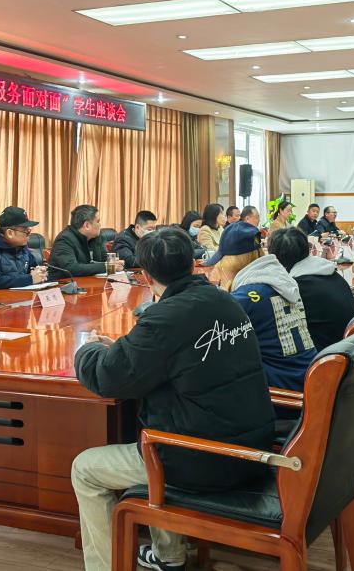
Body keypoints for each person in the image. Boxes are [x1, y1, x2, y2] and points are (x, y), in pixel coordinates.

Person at [70, 228, 275, 571]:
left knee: (86, 469)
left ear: (147, 276)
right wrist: (122, 349)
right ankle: (168, 556)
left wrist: (88, 348)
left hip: (207, 460)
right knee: (157, 432)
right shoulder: (224, 299)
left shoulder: (166, 318)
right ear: (193, 265)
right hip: (252, 446)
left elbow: (107, 377)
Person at [207, 220, 317, 391]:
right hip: (309, 379)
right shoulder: (282, 281)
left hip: (284, 393)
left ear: (231, 261)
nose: (218, 265)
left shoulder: (245, 298)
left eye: (221, 260)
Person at [268, 227, 354, 352]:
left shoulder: (295, 289)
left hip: (325, 357)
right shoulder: (331, 272)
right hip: (350, 349)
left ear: (276, 259)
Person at [0, 206, 47, 290]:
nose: (29, 235)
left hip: (19, 295)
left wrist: (40, 273)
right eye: (26, 231)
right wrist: (30, 279)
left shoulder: (23, 248)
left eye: (29, 231)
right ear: (10, 233)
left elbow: (33, 269)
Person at [48, 205, 120, 281]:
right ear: (87, 225)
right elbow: (72, 269)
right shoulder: (64, 239)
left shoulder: (97, 236)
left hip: (91, 282)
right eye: (98, 221)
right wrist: (107, 266)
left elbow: (104, 259)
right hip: (64, 285)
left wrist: (115, 263)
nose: (100, 225)